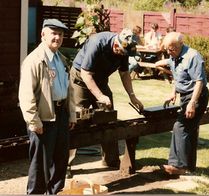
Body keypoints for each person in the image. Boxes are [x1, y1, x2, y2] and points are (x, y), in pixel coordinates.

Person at [69, 28, 144, 170]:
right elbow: (86, 74)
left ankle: (111, 161)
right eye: (122, 52)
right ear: (116, 45)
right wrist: (100, 96)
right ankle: (65, 165)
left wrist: (132, 97)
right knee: (75, 120)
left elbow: (124, 74)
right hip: (80, 79)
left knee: (108, 118)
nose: (123, 55)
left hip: (100, 80)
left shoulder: (125, 49)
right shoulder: (97, 43)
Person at [18, 18, 76, 194]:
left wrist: (71, 114)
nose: (57, 37)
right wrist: (33, 121)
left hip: (61, 115)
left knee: (61, 161)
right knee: (40, 164)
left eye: (60, 34)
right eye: (53, 33)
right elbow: (26, 94)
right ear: (43, 34)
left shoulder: (61, 59)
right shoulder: (34, 60)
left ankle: (55, 192)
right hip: (43, 118)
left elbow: (69, 90)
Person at [161, 32, 209, 175]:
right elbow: (177, 77)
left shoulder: (193, 56)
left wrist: (192, 103)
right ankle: (189, 167)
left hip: (197, 96)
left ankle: (178, 166)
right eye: (168, 49)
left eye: (172, 49)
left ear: (181, 44)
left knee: (180, 126)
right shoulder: (174, 55)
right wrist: (173, 92)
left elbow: (199, 82)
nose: (169, 52)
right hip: (185, 96)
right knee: (190, 130)